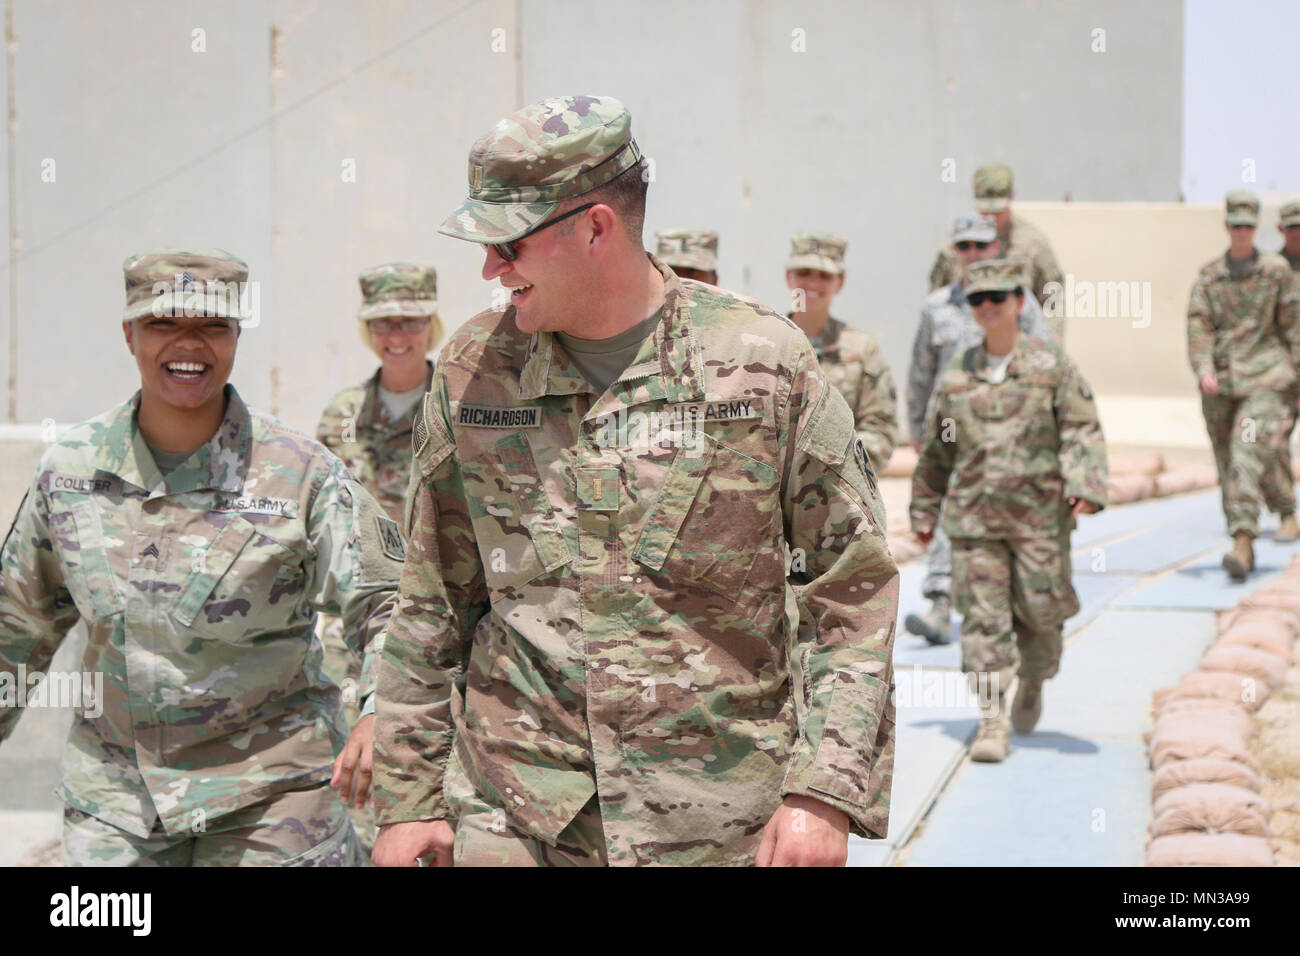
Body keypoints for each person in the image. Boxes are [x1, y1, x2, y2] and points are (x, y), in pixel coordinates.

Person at [370, 94, 898, 867]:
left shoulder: (761, 364)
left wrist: (824, 791)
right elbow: (432, 596)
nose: (489, 268)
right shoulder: (472, 373)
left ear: (594, 227)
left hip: (713, 827)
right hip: (516, 816)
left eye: (509, 241)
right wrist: (407, 800)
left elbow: (851, 587)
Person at [0, 249, 401, 865]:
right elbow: (17, 624)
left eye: (212, 325)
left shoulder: (301, 474)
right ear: (129, 332)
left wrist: (381, 711)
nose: (189, 344)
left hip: (271, 798)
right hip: (118, 803)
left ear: (237, 334)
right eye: (163, 323)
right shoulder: (72, 474)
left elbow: (387, 603)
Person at [910, 259, 1106, 763]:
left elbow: (1081, 427)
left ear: (1020, 301)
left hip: (1040, 520)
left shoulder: (1051, 366)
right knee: (981, 624)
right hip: (974, 522)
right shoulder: (957, 374)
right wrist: (924, 508)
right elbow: (939, 449)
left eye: (999, 296)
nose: (989, 307)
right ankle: (991, 719)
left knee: (1042, 619)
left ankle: (1035, 680)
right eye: (978, 299)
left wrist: (1084, 482)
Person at [315, 262, 442, 849]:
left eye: (411, 320)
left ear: (430, 323)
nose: (398, 334)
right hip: (358, 620)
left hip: (435, 608)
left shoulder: (456, 401)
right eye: (384, 322)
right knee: (356, 765)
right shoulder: (342, 415)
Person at [904, 214, 1051, 645]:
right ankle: (940, 603)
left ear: (995, 249)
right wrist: (916, 426)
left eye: (981, 246)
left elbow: (1043, 360)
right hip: (950, 430)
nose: (972, 254)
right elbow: (920, 370)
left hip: (1008, 429)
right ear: (955, 251)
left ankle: (1009, 607)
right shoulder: (937, 306)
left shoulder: (1019, 301)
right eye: (964, 246)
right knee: (946, 509)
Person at [1188, 190, 1300, 579]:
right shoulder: (1209, 276)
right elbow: (1198, 325)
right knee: (1227, 464)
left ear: (1257, 228)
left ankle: (1243, 540)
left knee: (1246, 451)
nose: (1241, 232)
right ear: (1226, 226)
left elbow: (1292, 327)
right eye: (1235, 225)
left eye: (1248, 226)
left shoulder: (1276, 273)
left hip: (1266, 379)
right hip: (1220, 386)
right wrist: (1203, 367)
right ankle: (1251, 525)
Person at [785, 233, 899, 470]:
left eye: (825, 276)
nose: (813, 284)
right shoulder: (767, 342)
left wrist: (832, 466)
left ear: (841, 282)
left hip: (837, 490)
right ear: (788, 277)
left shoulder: (862, 349)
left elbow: (881, 428)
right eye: (804, 273)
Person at [928, 164, 1066, 341]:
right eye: (986, 209)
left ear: (1011, 197)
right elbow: (936, 301)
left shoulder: (1034, 245)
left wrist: (1050, 348)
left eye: (998, 210)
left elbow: (1053, 302)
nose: (992, 216)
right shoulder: (954, 247)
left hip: (1017, 348)